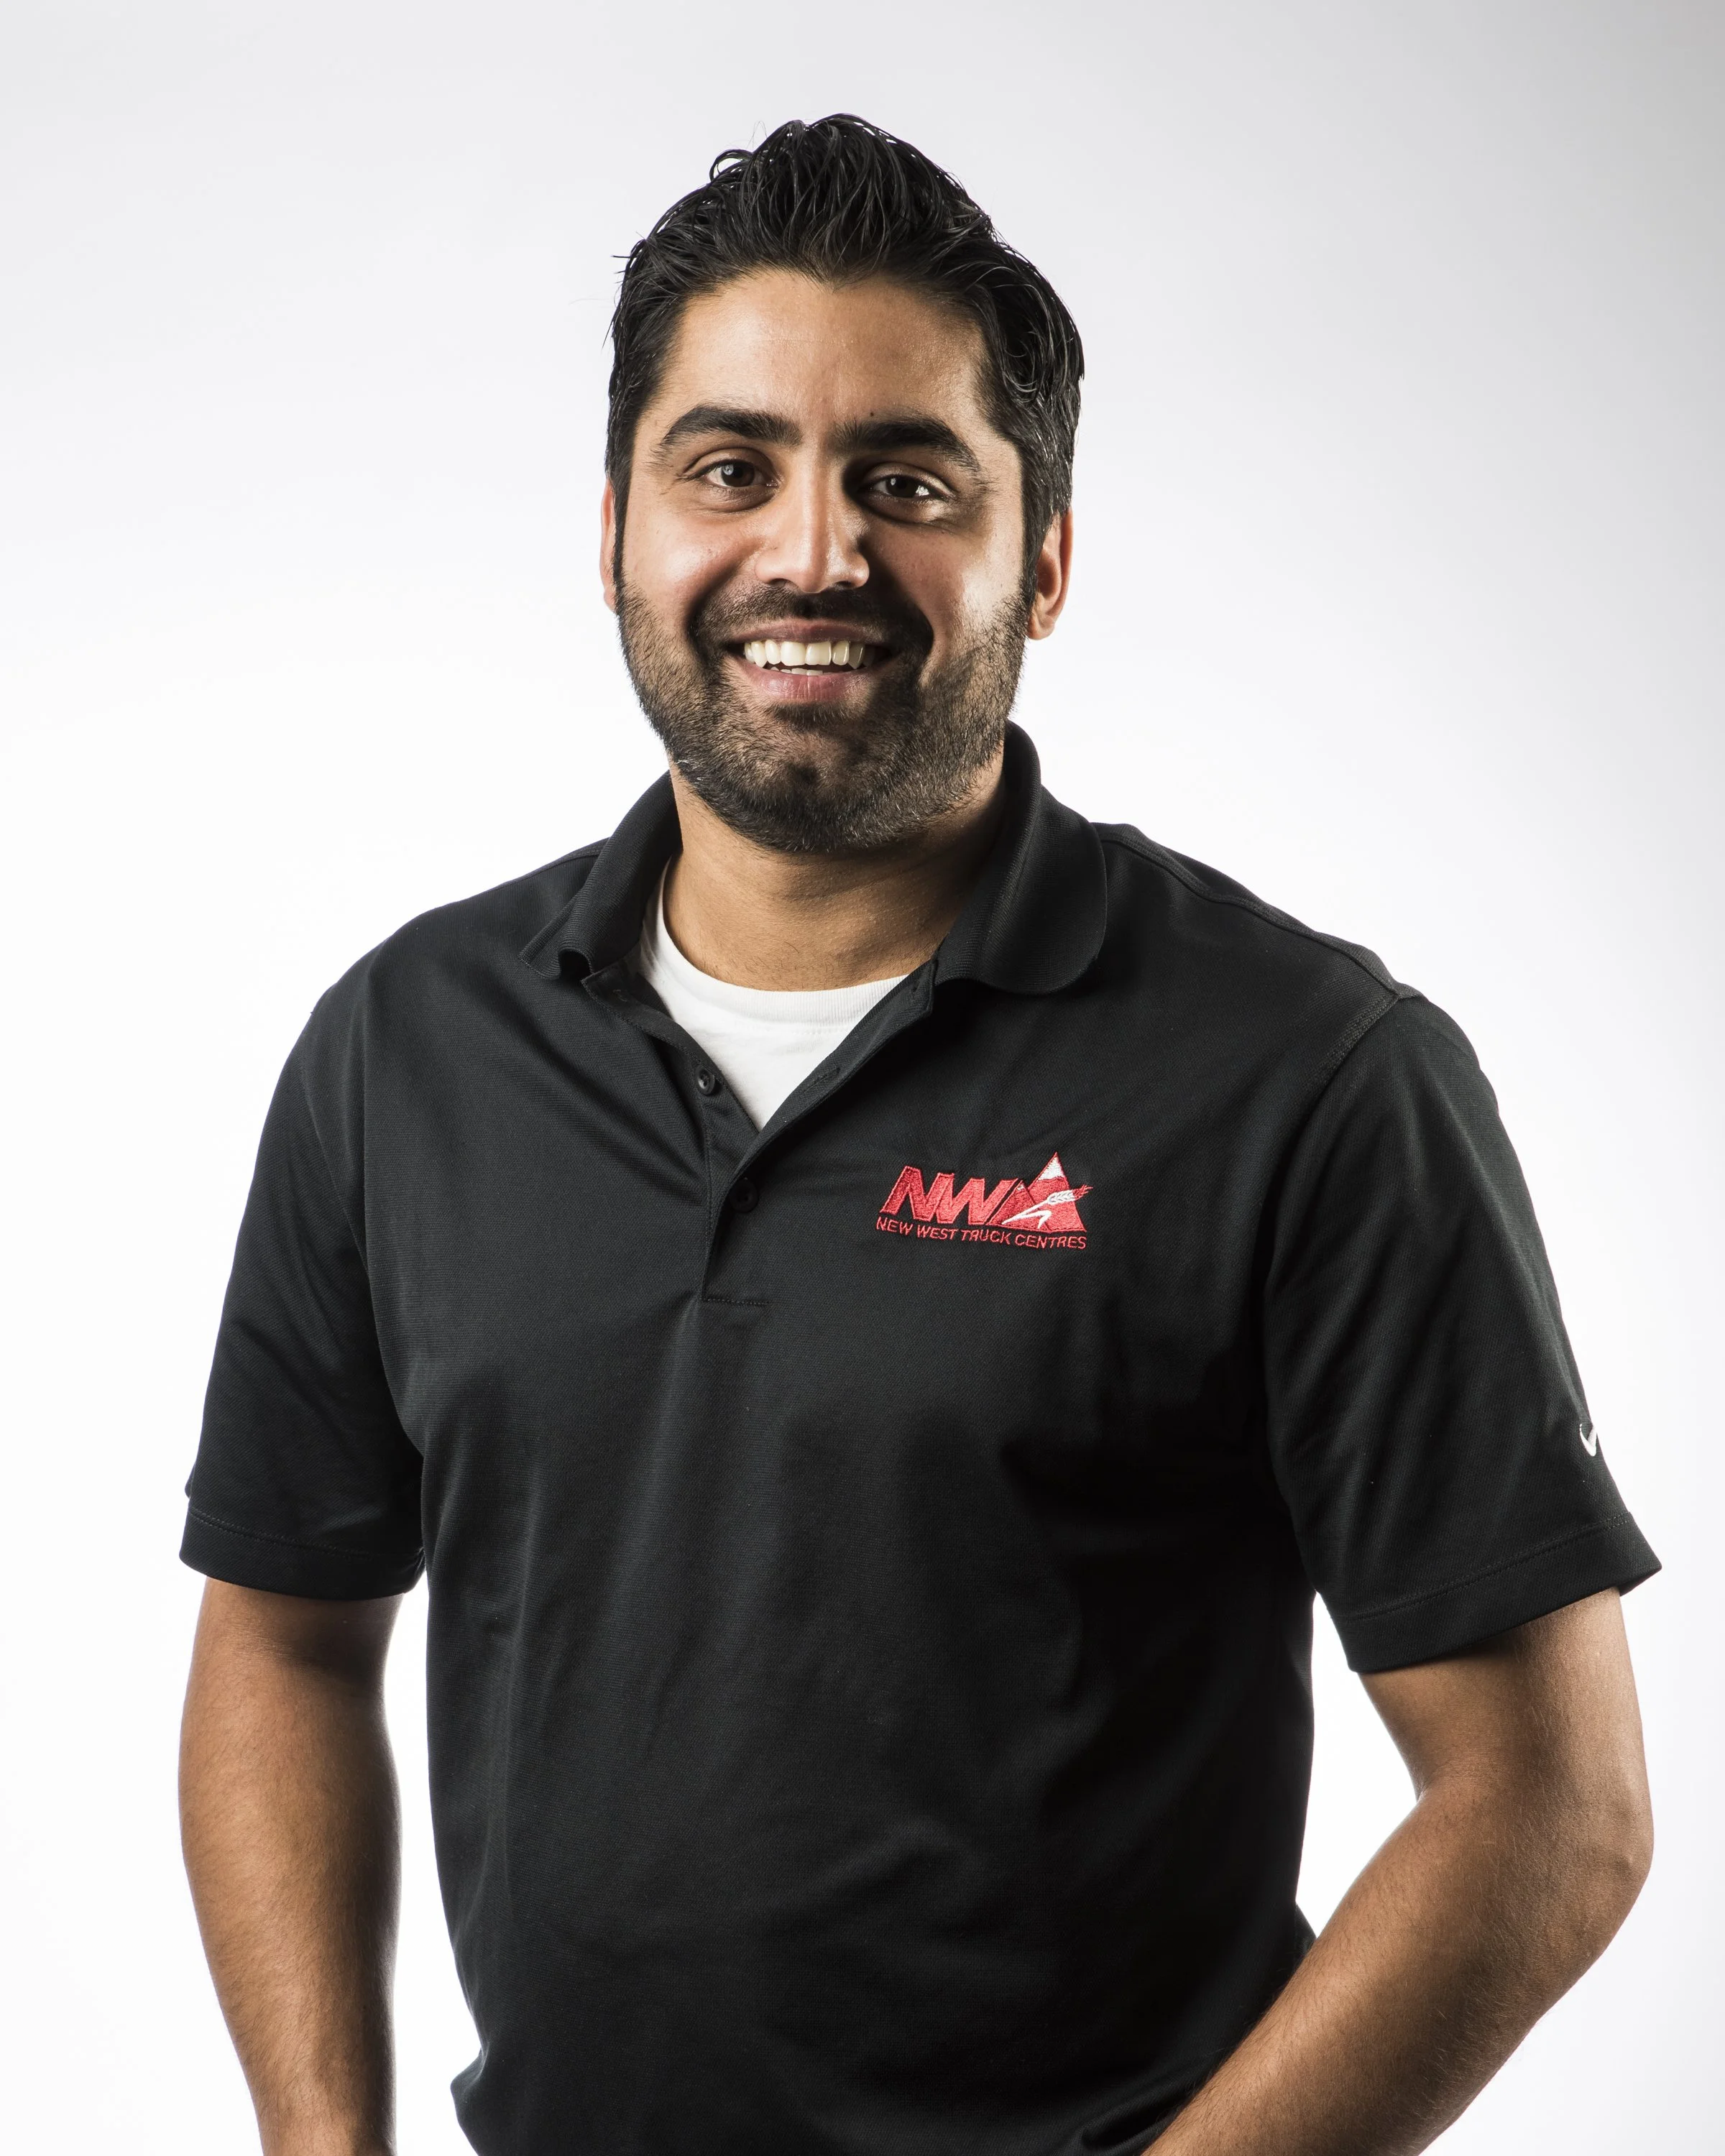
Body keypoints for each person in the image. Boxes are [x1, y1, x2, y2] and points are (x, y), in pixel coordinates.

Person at [178, 115, 1658, 2156]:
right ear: (614, 528)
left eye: (908, 482)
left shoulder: (1306, 1073)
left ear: (1041, 552)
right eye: (730, 469)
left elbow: (1552, 1809)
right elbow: (280, 1635)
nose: (812, 555)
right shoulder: (405, 1051)